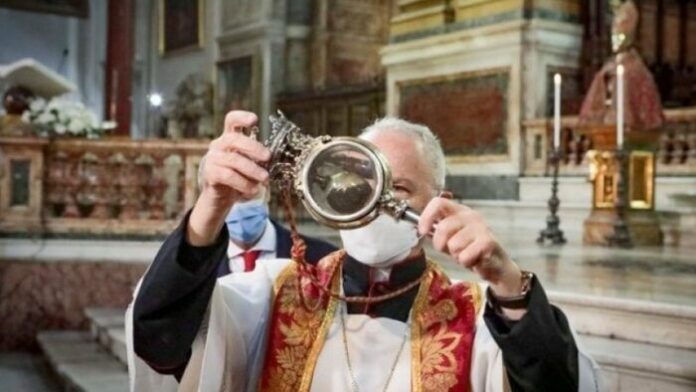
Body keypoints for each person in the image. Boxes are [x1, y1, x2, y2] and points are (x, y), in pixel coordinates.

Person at [130, 111, 600, 391]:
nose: (376, 204)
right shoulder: (272, 296)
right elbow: (160, 341)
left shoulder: (478, 318)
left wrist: (508, 282)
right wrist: (210, 207)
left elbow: (557, 386)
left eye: (398, 188)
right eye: (358, 184)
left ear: (442, 204)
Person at [125, 185, 336, 390]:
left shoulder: (319, 260)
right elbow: (157, 336)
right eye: (228, 194)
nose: (239, 205)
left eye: (247, 195)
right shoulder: (191, 270)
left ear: (268, 191)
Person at [578, 0, 664, 131]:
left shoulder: (638, 72)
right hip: (605, 134)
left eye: (620, 36)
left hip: (632, 136)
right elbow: (591, 111)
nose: (615, 40)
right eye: (614, 35)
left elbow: (649, 117)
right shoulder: (606, 70)